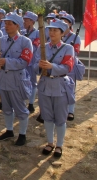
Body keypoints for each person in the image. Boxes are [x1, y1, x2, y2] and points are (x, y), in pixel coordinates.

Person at [34, 18, 74, 158]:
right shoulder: (42, 47)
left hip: (59, 86)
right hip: (45, 86)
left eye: (55, 30)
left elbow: (67, 67)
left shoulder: (68, 48)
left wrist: (52, 67)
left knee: (60, 118)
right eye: (50, 30)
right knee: (47, 117)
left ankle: (59, 145)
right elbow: (34, 66)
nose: (51, 32)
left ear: (62, 33)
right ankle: (50, 142)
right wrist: (39, 66)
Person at [0, 12, 33, 146]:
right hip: (4, 79)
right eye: (5, 23)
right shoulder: (2, 40)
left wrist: (6, 61)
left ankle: (22, 134)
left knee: (20, 109)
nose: (6, 26)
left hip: (17, 80)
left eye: (10, 23)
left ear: (17, 25)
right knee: (6, 107)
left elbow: (24, 62)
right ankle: (9, 130)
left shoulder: (25, 41)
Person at [60, 13, 82, 121]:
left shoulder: (75, 37)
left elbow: (76, 52)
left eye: (66, 22)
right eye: (62, 21)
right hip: (58, 67)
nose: (64, 23)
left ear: (70, 24)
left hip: (70, 66)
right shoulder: (57, 35)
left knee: (70, 89)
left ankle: (70, 111)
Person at [22, 11, 40, 113]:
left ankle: (31, 103)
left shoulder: (37, 33)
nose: (24, 22)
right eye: (24, 20)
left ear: (32, 22)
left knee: (33, 83)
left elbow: (35, 47)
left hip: (32, 61)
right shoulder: (22, 32)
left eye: (26, 20)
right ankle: (23, 102)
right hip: (23, 61)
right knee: (23, 82)